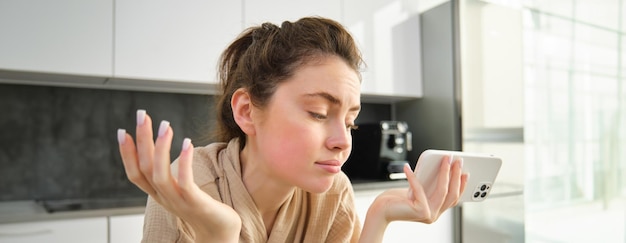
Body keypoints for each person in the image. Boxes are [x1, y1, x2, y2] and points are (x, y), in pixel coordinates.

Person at [116, 17, 468, 243]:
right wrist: (219, 234)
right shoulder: (188, 186)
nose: (343, 142)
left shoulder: (332, 195)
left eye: (350, 122)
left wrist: (380, 216)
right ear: (246, 112)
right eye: (318, 113)